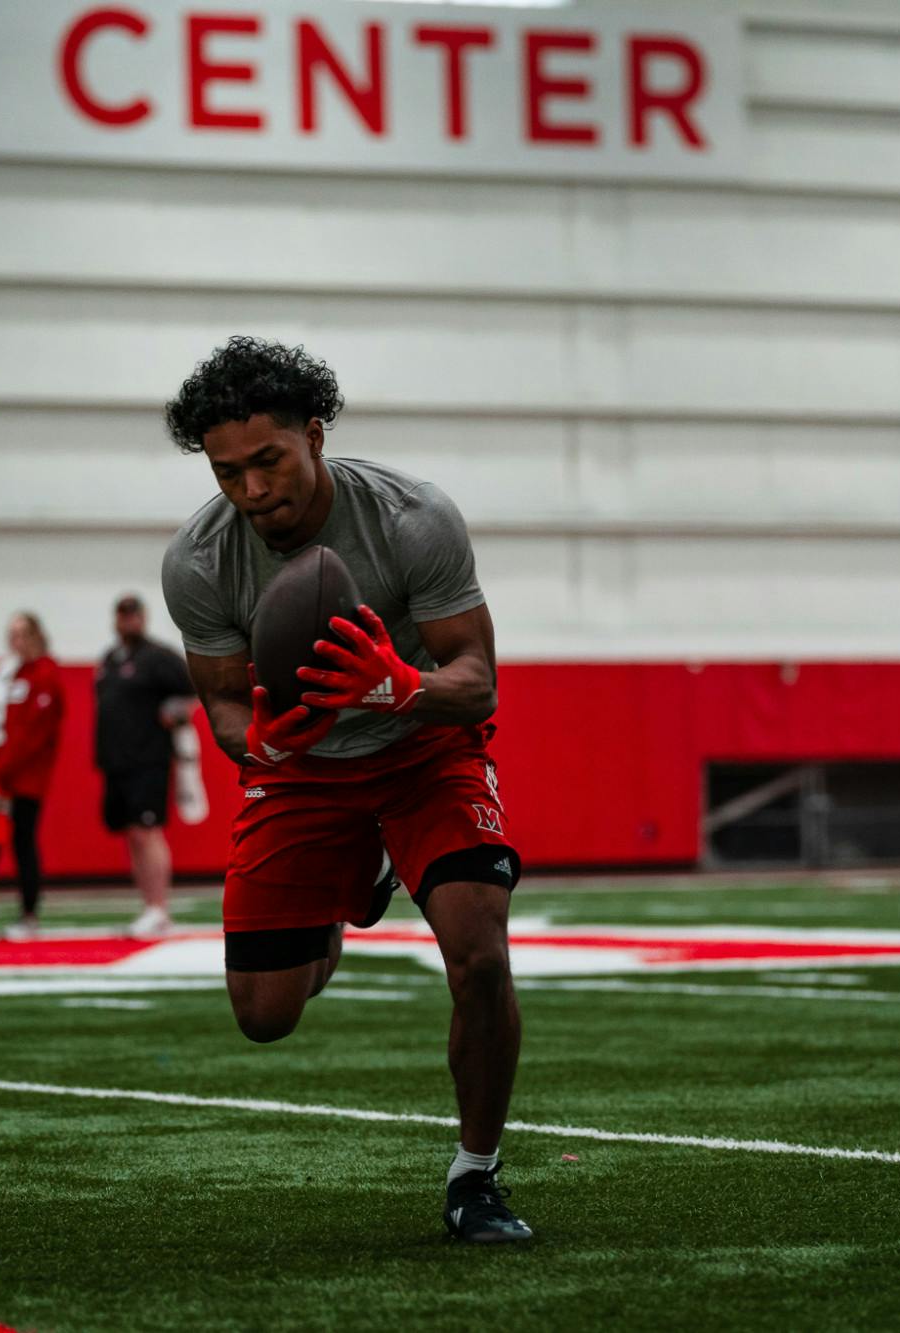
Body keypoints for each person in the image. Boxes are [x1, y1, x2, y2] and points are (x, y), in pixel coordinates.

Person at [160, 336, 530, 1243]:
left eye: (268, 461)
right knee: (263, 1018)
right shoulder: (199, 561)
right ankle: (345, 894)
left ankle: (474, 1177)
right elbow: (220, 703)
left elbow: (476, 679)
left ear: (314, 435)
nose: (252, 491)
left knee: (478, 951)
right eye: (228, 472)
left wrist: (401, 684)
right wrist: (265, 740)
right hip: (306, 772)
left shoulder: (411, 519)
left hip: (422, 747)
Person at [95, 594, 197, 938]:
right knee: (132, 835)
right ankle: (148, 907)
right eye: (123, 616)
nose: (129, 621)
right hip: (117, 761)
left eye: (134, 615)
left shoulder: (158, 657)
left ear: (143, 618)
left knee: (147, 831)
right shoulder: (110, 659)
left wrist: (175, 712)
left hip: (148, 758)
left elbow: (193, 689)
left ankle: (159, 908)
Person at [0, 612, 65, 941]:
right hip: (0, 779)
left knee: (23, 844)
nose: (16, 640)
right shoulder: (8, 673)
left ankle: (29, 914)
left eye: (22, 633)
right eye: (12, 633)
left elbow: (35, 736)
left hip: (26, 781)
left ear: (36, 635)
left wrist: (4, 769)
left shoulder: (46, 675)